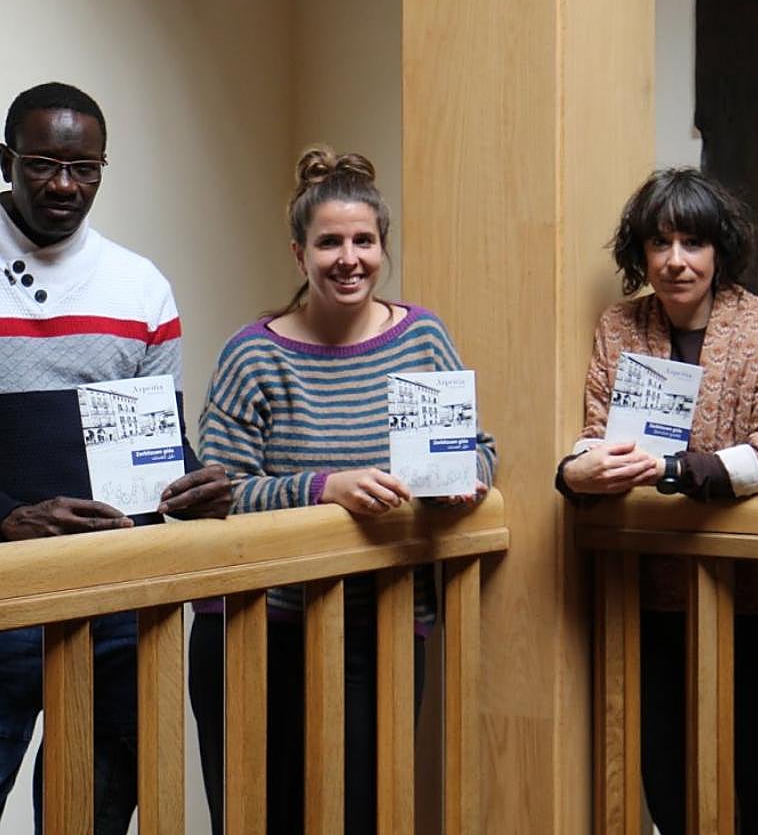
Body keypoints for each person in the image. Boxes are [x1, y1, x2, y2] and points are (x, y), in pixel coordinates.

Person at [190, 146, 496, 833]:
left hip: (382, 621)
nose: (348, 258)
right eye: (329, 242)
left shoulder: (422, 338)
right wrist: (326, 487)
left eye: (364, 240)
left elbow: (479, 451)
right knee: (259, 818)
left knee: (365, 814)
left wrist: (462, 482)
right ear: (300, 254)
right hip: (255, 628)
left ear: (384, 248)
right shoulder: (253, 355)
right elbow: (220, 493)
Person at [0, 82, 231, 833]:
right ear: (6, 161)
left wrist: (190, 486)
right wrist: (7, 520)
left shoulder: (141, 287)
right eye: (42, 163)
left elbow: (153, 449)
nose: (65, 184)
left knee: (87, 817)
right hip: (4, 596)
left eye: (85, 167)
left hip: (114, 608)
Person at [556, 167, 758, 834]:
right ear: (639, 254)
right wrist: (575, 474)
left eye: (691, 243)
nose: (674, 261)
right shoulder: (620, 326)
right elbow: (594, 433)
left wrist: (674, 469)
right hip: (649, 596)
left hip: (752, 595)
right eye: (659, 243)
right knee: (666, 783)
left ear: (719, 250)